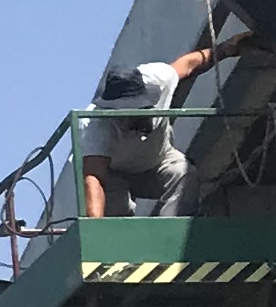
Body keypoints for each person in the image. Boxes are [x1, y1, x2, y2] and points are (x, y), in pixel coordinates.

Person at [82, 30, 265, 218]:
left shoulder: (158, 80)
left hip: (157, 161)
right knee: (114, 218)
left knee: (184, 174)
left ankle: (171, 231)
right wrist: (94, 226)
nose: (128, 118)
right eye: (122, 113)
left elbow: (190, 64)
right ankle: (117, 233)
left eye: (134, 110)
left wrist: (228, 49)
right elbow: (95, 177)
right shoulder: (94, 123)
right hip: (115, 173)